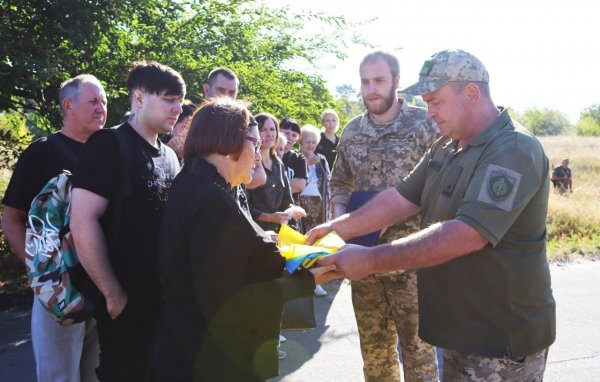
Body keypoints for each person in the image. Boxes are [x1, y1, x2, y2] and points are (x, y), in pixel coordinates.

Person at [311, 49, 556, 381]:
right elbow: (399, 199)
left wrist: (369, 259)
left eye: (436, 101)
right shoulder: (447, 145)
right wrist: (336, 228)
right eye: (425, 102)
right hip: (458, 333)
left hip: (500, 340)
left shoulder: (512, 149)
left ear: (471, 93)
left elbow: (467, 234)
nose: (429, 113)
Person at [151, 98, 337, 381]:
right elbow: (230, 303)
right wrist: (308, 280)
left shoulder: (196, 182)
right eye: (254, 141)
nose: (261, 151)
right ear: (228, 142)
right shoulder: (212, 201)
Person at [322, 51, 440, 382]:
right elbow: (340, 182)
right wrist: (340, 222)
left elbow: (444, 183)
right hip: (362, 259)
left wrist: (398, 210)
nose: (371, 89)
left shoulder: (424, 125)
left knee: (419, 353)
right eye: (365, 81)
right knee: (375, 353)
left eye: (379, 81)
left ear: (397, 82)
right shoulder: (352, 130)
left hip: (412, 260)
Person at [70, 61, 185, 381]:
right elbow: (83, 221)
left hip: (162, 305)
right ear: (138, 98)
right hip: (123, 307)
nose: (177, 108)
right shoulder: (108, 145)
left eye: (179, 100)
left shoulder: (171, 156)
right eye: (168, 99)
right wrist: (111, 292)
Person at [1, 74, 106, 381]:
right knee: (59, 376)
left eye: (103, 101)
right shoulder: (42, 152)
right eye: (93, 101)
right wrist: (42, 275)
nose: (101, 107)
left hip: (102, 285)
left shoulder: (108, 152)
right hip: (58, 292)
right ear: (68, 105)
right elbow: (11, 219)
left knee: (97, 374)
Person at [247, 113, 306, 233]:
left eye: (272, 129)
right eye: (263, 130)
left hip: (277, 233)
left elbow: (287, 199)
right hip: (252, 232)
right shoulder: (248, 162)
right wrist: (270, 217)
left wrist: (293, 209)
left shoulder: (278, 163)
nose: (269, 134)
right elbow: (243, 205)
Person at [298, 124, 331, 232]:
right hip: (301, 203)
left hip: (320, 205)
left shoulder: (321, 159)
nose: (311, 145)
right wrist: (306, 163)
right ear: (300, 141)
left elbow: (328, 182)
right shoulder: (295, 157)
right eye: (307, 142)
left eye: (314, 142)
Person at [280, 117, 308, 197]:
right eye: (286, 133)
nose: (290, 138)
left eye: (294, 135)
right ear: (278, 131)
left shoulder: (298, 158)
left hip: (289, 206)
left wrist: (271, 187)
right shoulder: (268, 154)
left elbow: (300, 186)